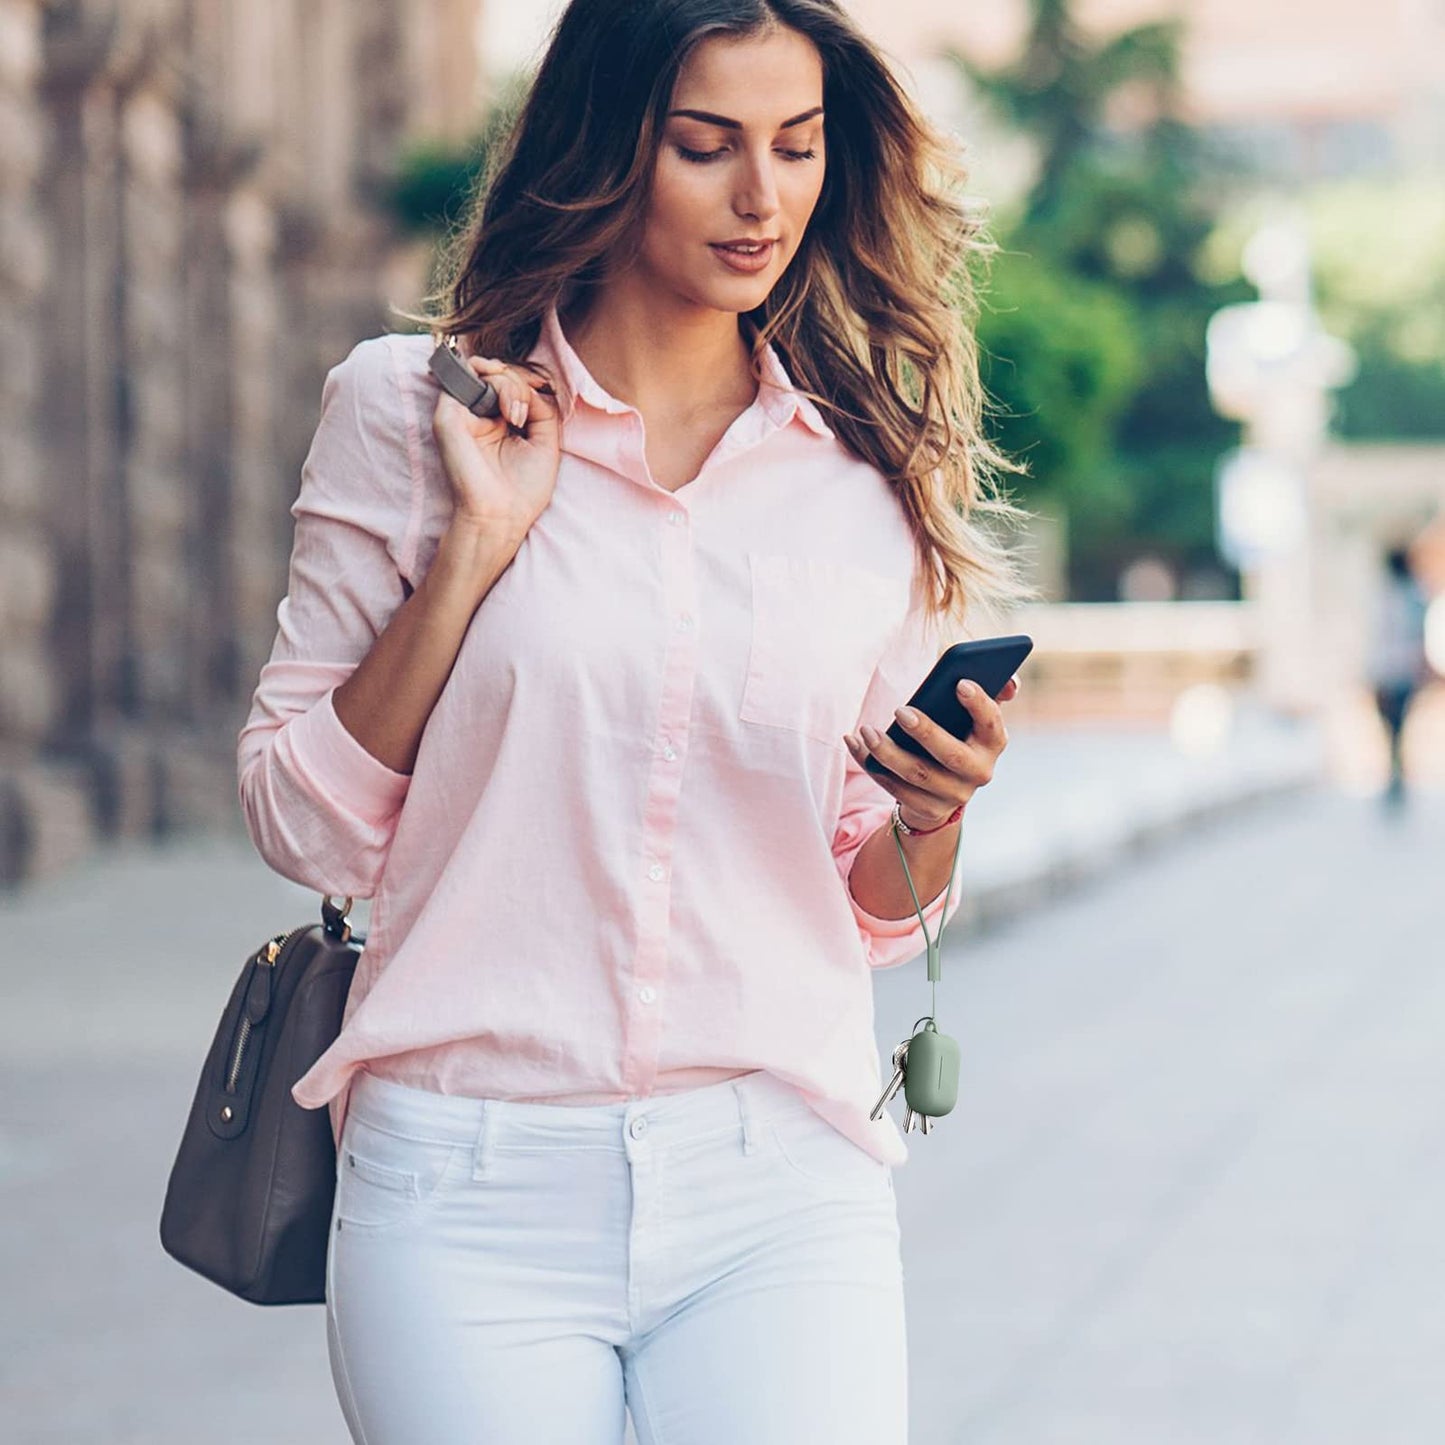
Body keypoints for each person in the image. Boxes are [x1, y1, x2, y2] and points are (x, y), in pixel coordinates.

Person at [237, 2, 1033, 1439]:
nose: (762, 197)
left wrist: (934, 808)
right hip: (465, 1184)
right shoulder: (409, 415)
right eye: (706, 145)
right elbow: (303, 820)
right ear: (607, 151)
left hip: (779, 1177)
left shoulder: (865, 477)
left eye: (796, 147)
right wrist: (477, 549)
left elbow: (867, 905)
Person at [1368, 543, 1430, 809]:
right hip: (1398, 672)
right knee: (1395, 727)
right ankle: (1395, 774)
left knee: (1394, 728)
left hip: (1392, 672)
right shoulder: (1410, 597)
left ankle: (1395, 775)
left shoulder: (1391, 597)